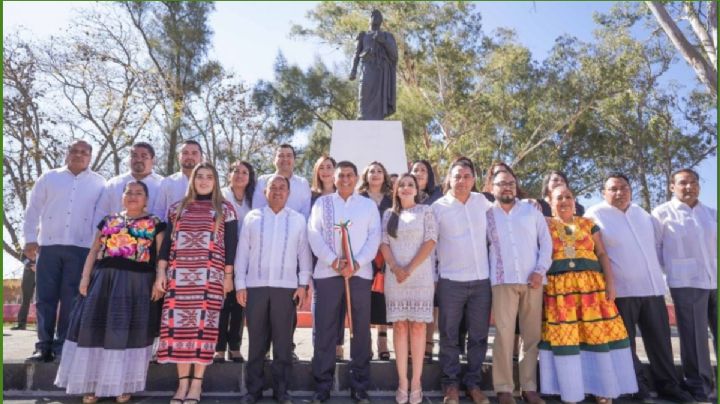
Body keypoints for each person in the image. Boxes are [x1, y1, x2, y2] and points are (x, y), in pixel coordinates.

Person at [585, 173, 694, 402]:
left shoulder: (643, 214)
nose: (619, 192)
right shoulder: (594, 215)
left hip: (652, 290)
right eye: (613, 189)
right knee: (626, 346)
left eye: (623, 187)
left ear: (630, 190)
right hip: (621, 293)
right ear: (603, 193)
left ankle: (669, 386)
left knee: (661, 343)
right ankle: (636, 387)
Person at [55, 181, 165, 404]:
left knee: (126, 333)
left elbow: (162, 256)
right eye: (129, 192)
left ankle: (122, 386)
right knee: (95, 331)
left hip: (137, 284)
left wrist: (159, 281)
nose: (133, 196)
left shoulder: (155, 222)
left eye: (139, 193)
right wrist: (85, 278)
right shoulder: (108, 220)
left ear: (146, 199)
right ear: (122, 196)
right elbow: (94, 251)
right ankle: (91, 385)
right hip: (103, 281)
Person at [539, 185, 637, 404]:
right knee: (568, 337)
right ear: (549, 201)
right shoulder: (544, 224)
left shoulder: (588, 224)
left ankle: (603, 388)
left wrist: (610, 284)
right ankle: (571, 389)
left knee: (596, 335)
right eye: (559, 197)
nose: (564, 201)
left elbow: (601, 253)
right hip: (560, 291)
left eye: (568, 197)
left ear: (574, 201)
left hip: (592, 290)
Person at [154, 163, 238, 404]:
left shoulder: (225, 209)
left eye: (209, 177)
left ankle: (196, 386)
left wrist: (228, 276)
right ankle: (182, 385)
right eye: (199, 177)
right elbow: (166, 245)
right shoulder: (177, 208)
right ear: (193, 180)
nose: (203, 181)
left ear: (215, 181)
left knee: (203, 330)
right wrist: (161, 273)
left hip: (209, 279)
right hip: (178, 278)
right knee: (179, 329)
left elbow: (231, 245)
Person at [23, 139, 106, 362]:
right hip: (48, 247)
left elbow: (101, 219)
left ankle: (63, 347)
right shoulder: (50, 178)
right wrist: (30, 239)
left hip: (81, 249)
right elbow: (32, 210)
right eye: (75, 151)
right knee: (45, 299)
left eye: (85, 152)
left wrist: (97, 249)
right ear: (67, 154)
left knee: (72, 299)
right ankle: (43, 346)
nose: (79, 155)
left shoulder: (100, 183)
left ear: (91, 157)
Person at [308, 161, 381, 404]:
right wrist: (333, 261)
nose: (346, 179)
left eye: (350, 175)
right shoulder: (323, 203)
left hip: (359, 275)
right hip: (327, 274)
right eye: (341, 175)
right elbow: (313, 234)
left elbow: (375, 237)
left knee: (359, 330)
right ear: (334, 178)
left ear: (357, 178)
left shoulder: (367, 206)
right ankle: (322, 385)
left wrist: (357, 263)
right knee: (325, 330)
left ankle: (359, 385)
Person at [236, 175, 313, 404]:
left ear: (288, 193)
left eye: (282, 188)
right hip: (256, 287)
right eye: (273, 188)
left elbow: (304, 255)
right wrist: (240, 284)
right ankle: (254, 391)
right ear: (265, 192)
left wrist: (303, 284)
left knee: (282, 344)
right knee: (256, 343)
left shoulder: (298, 220)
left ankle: (281, 391)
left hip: (286, 288)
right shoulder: (253, 218)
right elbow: (242, 253)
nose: (278, 191)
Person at [486, 171, 552, 404]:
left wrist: (540, 270)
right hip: (502, 281)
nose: (507, 187)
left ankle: (529, 387)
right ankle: (503, 388)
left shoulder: (531, 210)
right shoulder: (486, 213)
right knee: (503, 335)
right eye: (501, 183)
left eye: (511, 183)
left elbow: (546, 243)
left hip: (533, 280)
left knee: (531, 336)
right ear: (492, 188)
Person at [652, 168, 717, 402]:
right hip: (686, 283)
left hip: (715, 279)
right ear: (672, 187)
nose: (689, 187)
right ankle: (701, 389)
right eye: (683, 183)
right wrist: (674, 271)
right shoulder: (661, 214)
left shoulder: (711, 213)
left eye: (693, 182)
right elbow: (656, 251)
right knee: (695, 339)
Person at [432, 159, 492, 404]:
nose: (462, 181)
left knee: (478, 336)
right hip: (450, 281)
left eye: (467, 176)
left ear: (474, 179)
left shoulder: (484, 203)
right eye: (457, 176)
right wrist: (435, 280)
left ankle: (473, 384)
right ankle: (450, 385)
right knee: (448, 336)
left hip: (481, 282)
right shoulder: (438, 207)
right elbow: (432, 246)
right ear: (449, 178)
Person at [380, 173, 437, 404]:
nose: (405, 187)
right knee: (401, 327)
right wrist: (395, 267)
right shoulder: (388, 214)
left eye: (410, 184)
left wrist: (409, 268)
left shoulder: (426, 211)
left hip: (420, 277)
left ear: (416, 190)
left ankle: (417, 382)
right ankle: (403, 382)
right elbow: (383, 243)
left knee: (418, 328)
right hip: (395, 278)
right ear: (395, 190)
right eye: (401, 185)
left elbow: (431, 241)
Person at [215, 161, 256, 363]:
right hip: (223, 253)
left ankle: (235, 346)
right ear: (229, 174)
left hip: (247, 256)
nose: (240, 175)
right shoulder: (220, 196)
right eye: (235, 171)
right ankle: (219, 347)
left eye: (244, 172)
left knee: (240, 302)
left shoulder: (254, 200)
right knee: (222, 301)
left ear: (250, 177)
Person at [358, 161, 393, 361]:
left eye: (380, 170)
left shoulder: (391, 199)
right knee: (364, 300)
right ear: (366, 175)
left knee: (382, 301)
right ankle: (367, 343)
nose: (376, 174)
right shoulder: (359, 198)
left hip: (386, 254)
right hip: (364, 255)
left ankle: (382, 342)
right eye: (372, 171)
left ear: (384, 175)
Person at [409, 159, 443, 364]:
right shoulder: (404, 195)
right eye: (415, 170)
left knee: (430, 303)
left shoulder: (438, 198)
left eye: (423, 170)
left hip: (432, 257)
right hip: (407, 257)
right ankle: (409, 347)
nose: (419, 173)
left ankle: (429, 344)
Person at [93, 142, 164, 224]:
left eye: (144, 156)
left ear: (153, 160)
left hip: (154, 235)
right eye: (134, 156)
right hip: (116, 235)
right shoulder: (113, 184)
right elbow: (100, 214)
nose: (138, 159)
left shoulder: (163, 185)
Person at [349, 9, 398, 120]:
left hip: (381, 70)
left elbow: (394, 55)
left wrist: (383, 41)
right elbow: (356, 54)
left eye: (378, 16)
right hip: (367, 67)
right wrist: (353, 70)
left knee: (379, 96)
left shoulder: (387, 36)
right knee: (364, 91)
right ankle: (362, 115)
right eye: (372, 15)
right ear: (369, 19)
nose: (375, 17)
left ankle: (378, 117)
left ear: (381, 20)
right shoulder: (363, 35)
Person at [152, 140, 203, 221]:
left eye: (194, 153)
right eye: (185, 153)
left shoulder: (209, 183)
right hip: (171, 231)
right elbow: (158, 212)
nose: (189, 156)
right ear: (178, 156)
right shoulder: (167, 182)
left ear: (201, 158)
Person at [12, 255, 35, 330]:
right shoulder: (28, 244)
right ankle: (21, 324)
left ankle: (45, 326)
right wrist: (30, 265)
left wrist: (39, 265)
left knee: (44, 300)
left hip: (42, 272)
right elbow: (22, 256)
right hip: (28, 274)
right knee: (25, 300)